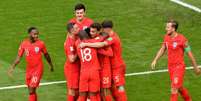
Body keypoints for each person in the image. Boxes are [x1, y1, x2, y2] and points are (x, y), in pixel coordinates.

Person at [151, 19, 201, 101]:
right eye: (166, 27)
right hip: (171, 68)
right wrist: (155, 60)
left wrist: (196, 68)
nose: (166, 29)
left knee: (174, 89)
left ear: (173, 29)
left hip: (179, 67)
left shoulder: (182, 39)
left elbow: (190, 54)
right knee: (180, 88)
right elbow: (163, 49)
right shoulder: (166, 37)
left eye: (168, 27)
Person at [80, 20, 127, 101]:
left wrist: (91, 46)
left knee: (116, 87)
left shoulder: (111, 38)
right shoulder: (103, 37)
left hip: (114, 66)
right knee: (105, 90)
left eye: (103, 30)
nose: (102, 31)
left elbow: (110, 53)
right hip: (104, 68)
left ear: (107, 29)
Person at [8, 27, 54, 101]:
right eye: (34, 34)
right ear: (29, 34)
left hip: (38, 69)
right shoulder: (24, 44)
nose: (36, 36)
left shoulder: (41, 43)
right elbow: (18, 57)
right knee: (31, 91)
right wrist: (12, 67)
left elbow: (46, 55)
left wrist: (50, 65)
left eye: (37, 34)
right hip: (29, 70)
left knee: (32, 89)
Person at [89, 23, 113, 101]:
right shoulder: (92, 39)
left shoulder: (103, 39)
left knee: (106, 91)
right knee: (99, 92)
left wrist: (99, 50)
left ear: (98, 32)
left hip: (105, 69)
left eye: (93, 32)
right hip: (97, 70)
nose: (91, 33)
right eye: (90, 31)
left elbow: (110, 53)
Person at [64, 23, 80, 101]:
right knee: (72, 91)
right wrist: (78, 49)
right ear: (72, 31)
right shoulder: (69, 43)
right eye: (76, 28)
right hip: (72, 70)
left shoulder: (76, 37)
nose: (79, 29)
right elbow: (72, 59)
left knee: (78, 91)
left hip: (78, 68)